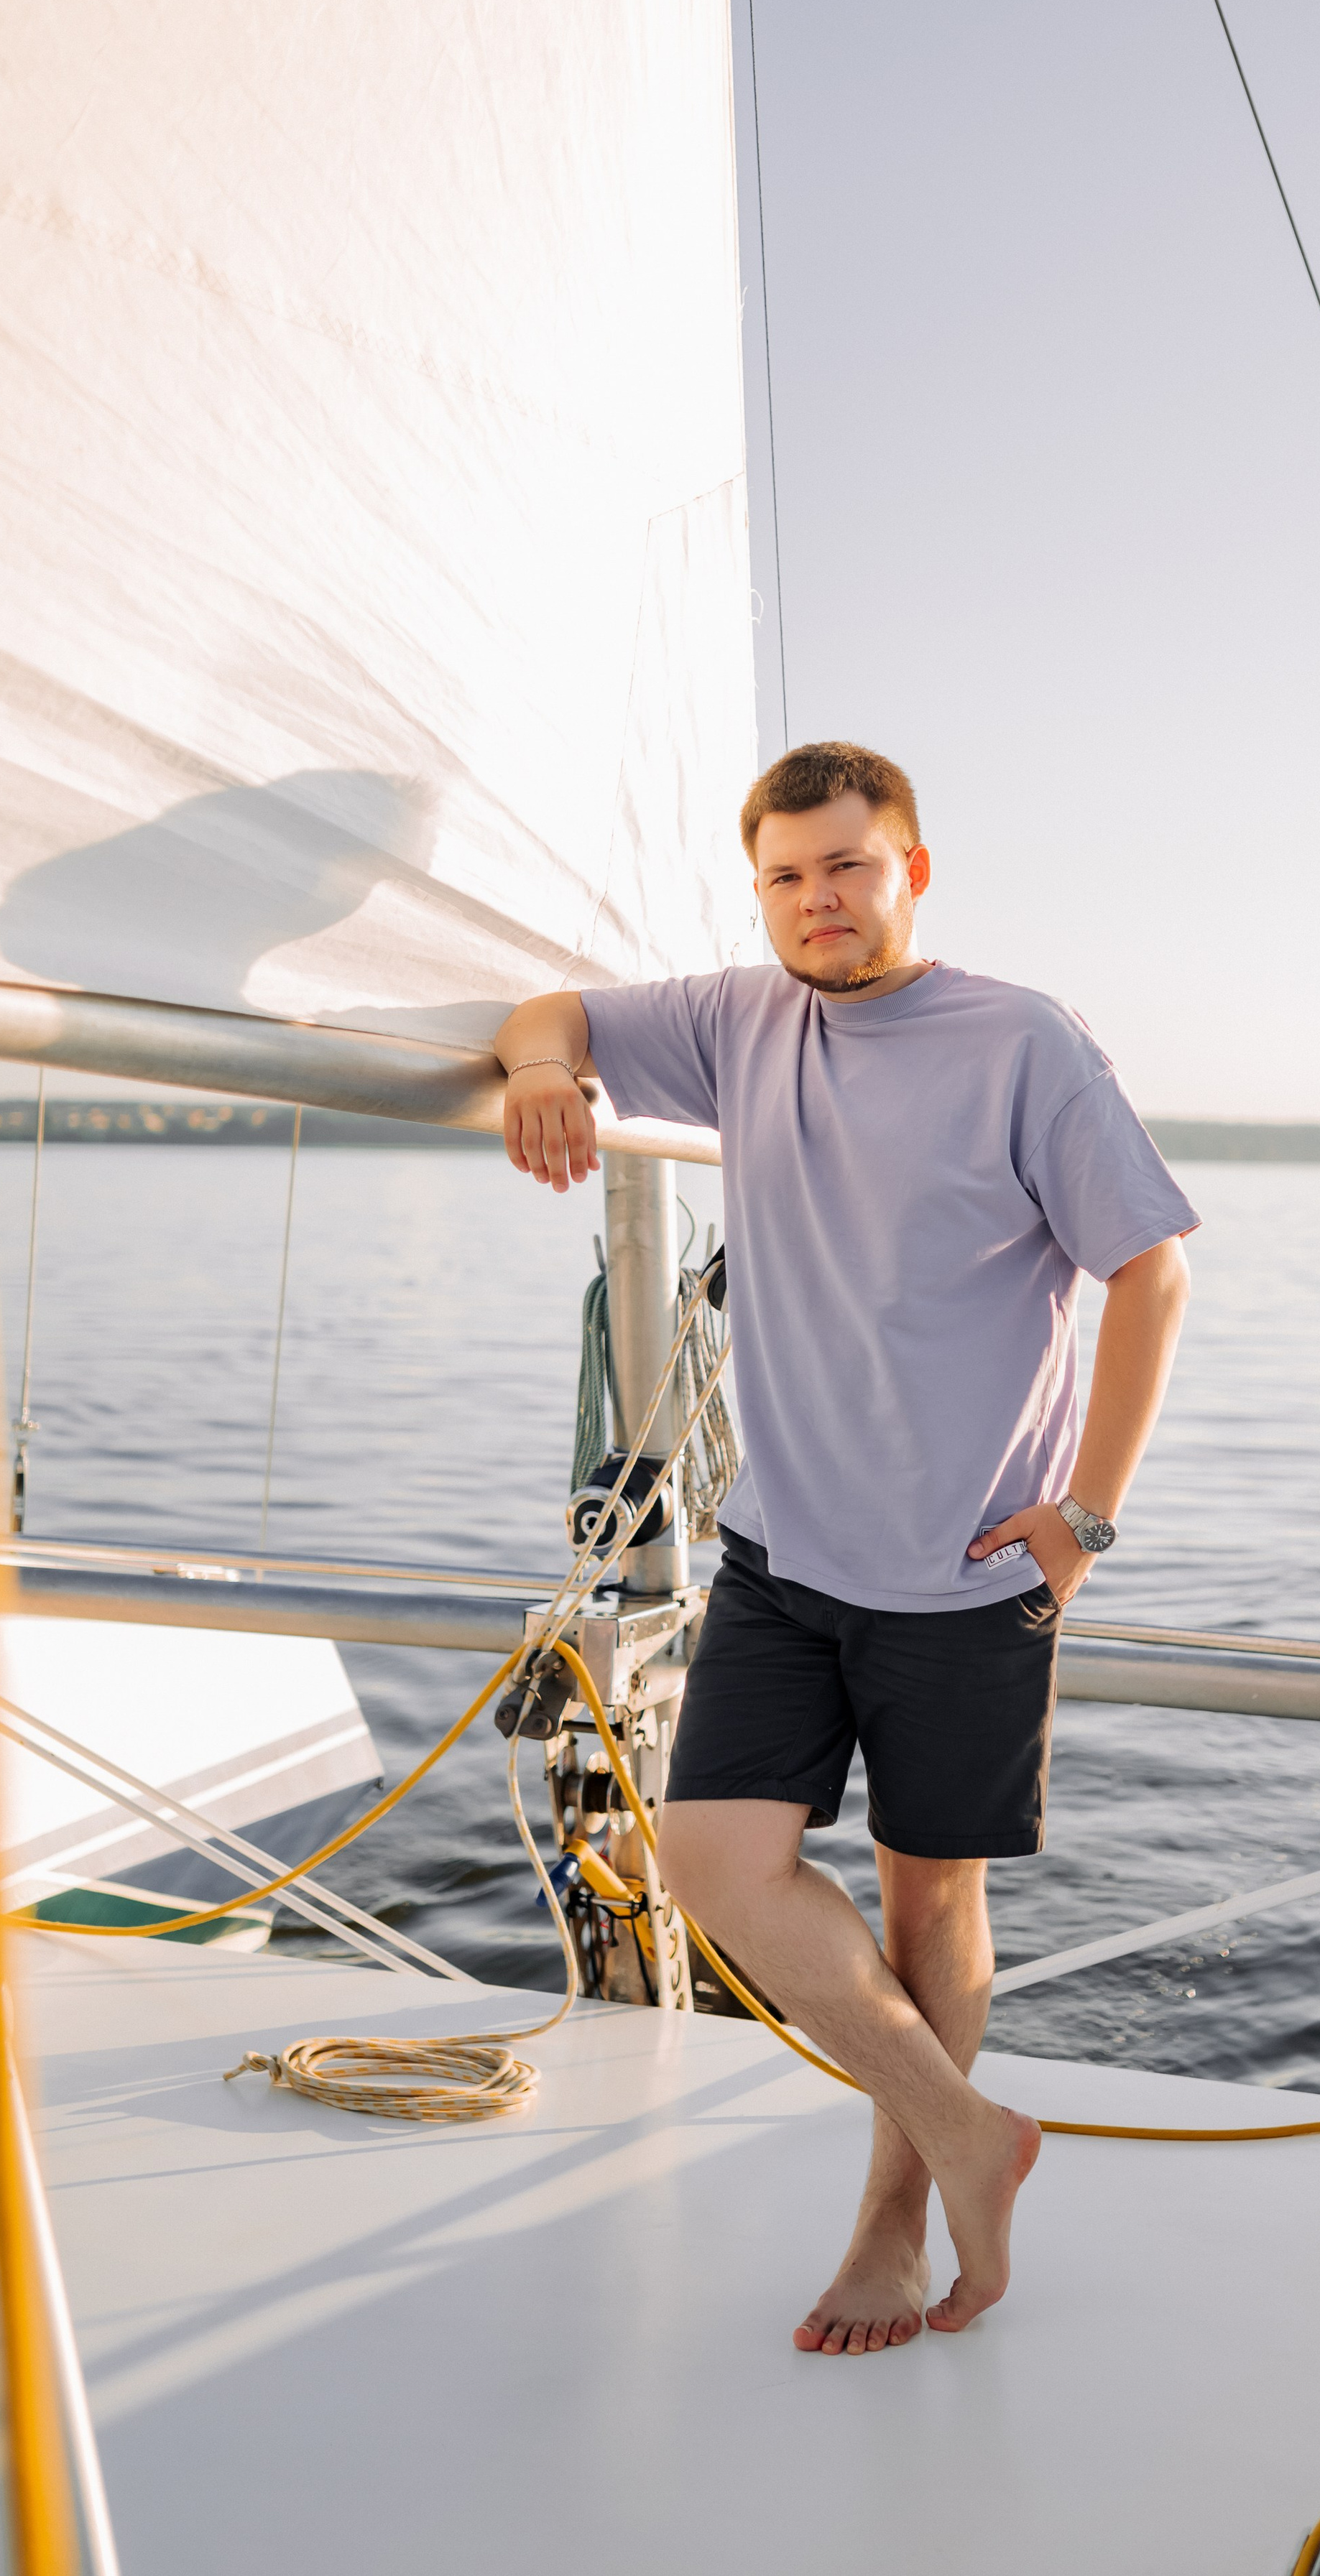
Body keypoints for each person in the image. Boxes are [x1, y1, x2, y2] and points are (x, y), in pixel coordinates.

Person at [495, 742, 1196, 2355]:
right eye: (786, 876)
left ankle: (893, 2221)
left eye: (847, 867)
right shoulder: (743, 1019)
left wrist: (1081, 1517)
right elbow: (562, 1015)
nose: (817, 900)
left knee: (923, 1905)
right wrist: (543, 1073)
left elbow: (1149, 1274)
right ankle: (968, 2132)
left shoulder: (1022, 1038)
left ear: (911, 871)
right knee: (712, 1861)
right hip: (779, 1553)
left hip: (965, 1573)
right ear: (760, 891)